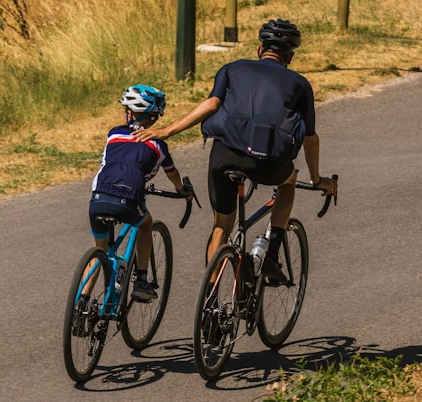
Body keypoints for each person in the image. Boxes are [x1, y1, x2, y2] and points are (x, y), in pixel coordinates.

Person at [133, 19, 337, 283]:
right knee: (289, 180)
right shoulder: (300, 85)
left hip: (226, 156)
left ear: (258, 50)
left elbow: (211, 105)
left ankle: (210, 301)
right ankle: (273, 252)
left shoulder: (231, 68)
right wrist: (318, 179)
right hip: (271, 162)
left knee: (221, 226)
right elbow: (311, 139)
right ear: (291, 56)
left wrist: (167, 131)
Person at [89, 84, 191, 300]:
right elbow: (171, 173)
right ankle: (142, 280)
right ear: (154, 117)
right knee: (145, 224)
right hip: (128, 197)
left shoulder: (114, 133)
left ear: (129, 113)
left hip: (98, 195)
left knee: (100, 252)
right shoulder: (158, 144)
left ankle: (82, 300)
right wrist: (182, 190)